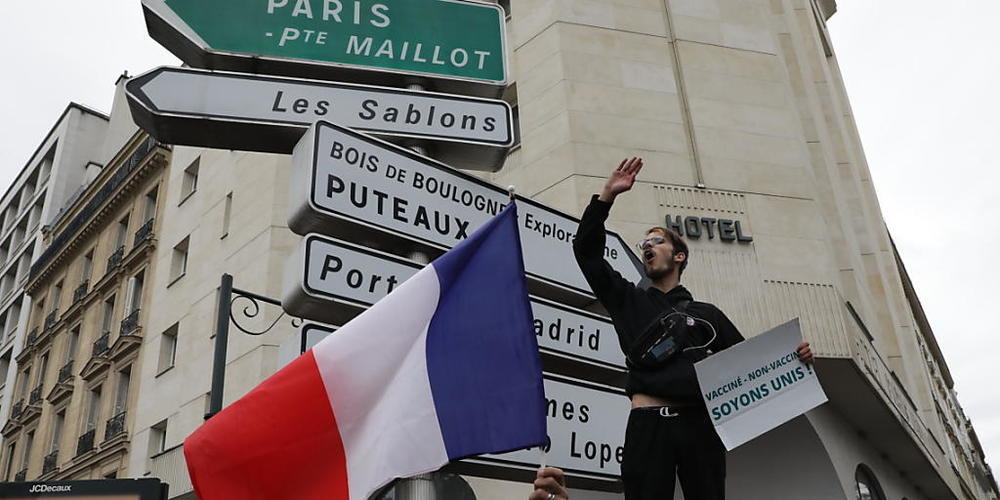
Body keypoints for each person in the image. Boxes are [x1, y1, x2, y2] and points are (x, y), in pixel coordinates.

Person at [569, 157, 814, 500]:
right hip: (647, 424)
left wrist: (796, 358)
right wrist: (607, 196)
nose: (647, 247)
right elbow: (586, 253)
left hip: (699, 425)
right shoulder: (628, 300)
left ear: (679, 256)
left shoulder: (708, 315)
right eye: (644, 246)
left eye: (656, 241)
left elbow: (753, 365)